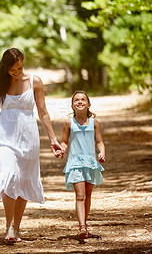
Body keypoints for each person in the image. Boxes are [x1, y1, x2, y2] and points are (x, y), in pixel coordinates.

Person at [0, 48, 62, 243]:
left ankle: (16, 228)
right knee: (9, 174)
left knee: (24, 181)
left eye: (20, 67)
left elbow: (43, 112)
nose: (17, 72)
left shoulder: (34, 81)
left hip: (29, 138)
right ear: (5, 68)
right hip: (4, 137)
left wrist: (53, 139)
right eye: (13, 70)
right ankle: (9, 225)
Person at [58, 90, 105, 239]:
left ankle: (84, 223)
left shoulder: (94, 123)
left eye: (83, 100)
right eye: (76, 100)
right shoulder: (68, 123)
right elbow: (64, 141)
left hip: (90, 163)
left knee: (88, 195)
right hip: (76, 163)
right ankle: (82, 227)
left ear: (88, 104)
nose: (80, 102)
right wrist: (62, 150)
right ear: (72, 105)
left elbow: (99, 141)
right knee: (80, 195)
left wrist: (102, 152)